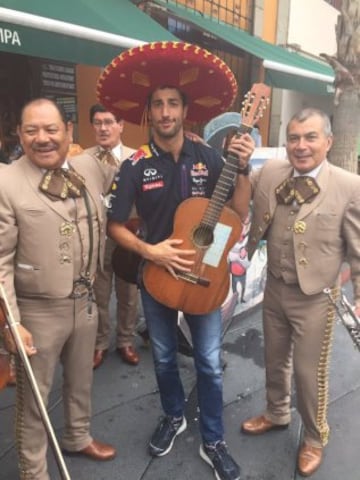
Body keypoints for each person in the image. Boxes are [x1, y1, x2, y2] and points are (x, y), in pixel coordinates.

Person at [98, 41, 255, 480]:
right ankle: (173, 415)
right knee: (165, 358)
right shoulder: (134, 165)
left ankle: (213, 437)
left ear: (186, 110)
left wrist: (241, 168)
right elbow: (114, 225)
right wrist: (150, 251)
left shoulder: (208, 156)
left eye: (173, 104)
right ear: (149, 113)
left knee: (207, 361)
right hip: (157, 279)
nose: (166, 113)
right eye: (158, 105)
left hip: (203, 278)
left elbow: (236, 214)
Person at [0, 98, 117, 480]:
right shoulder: (6, 181)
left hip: (85, 302)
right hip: (37, 310)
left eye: (51, 129)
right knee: (34, 400)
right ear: (19, 134)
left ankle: (77, 436)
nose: (42, 138)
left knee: (81, 379)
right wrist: (11, 323)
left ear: (69, 131)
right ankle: (33, 472)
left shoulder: (91, 168)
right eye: (31, 130)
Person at [241, 108, 360, 477]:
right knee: (274, 358)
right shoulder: (272, 172)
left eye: (310, 137)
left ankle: (313, 436)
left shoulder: (349, 186)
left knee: (310, 373)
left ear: (328, 141)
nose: (301, 146)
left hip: (315, 298)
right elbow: (243, 192)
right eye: (294, 138)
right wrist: (239, 161)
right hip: (274, 289)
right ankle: (277, 412)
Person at [85, 104, 140, 369]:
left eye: (109, 122)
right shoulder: (81, 160)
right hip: (98, 240)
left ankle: (125, 341)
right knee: (99, 294)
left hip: (129, 238)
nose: (103, 128)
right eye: (97, 122)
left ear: (121, 125)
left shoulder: (137, 158)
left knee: (129, 292)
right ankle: (100, 343)